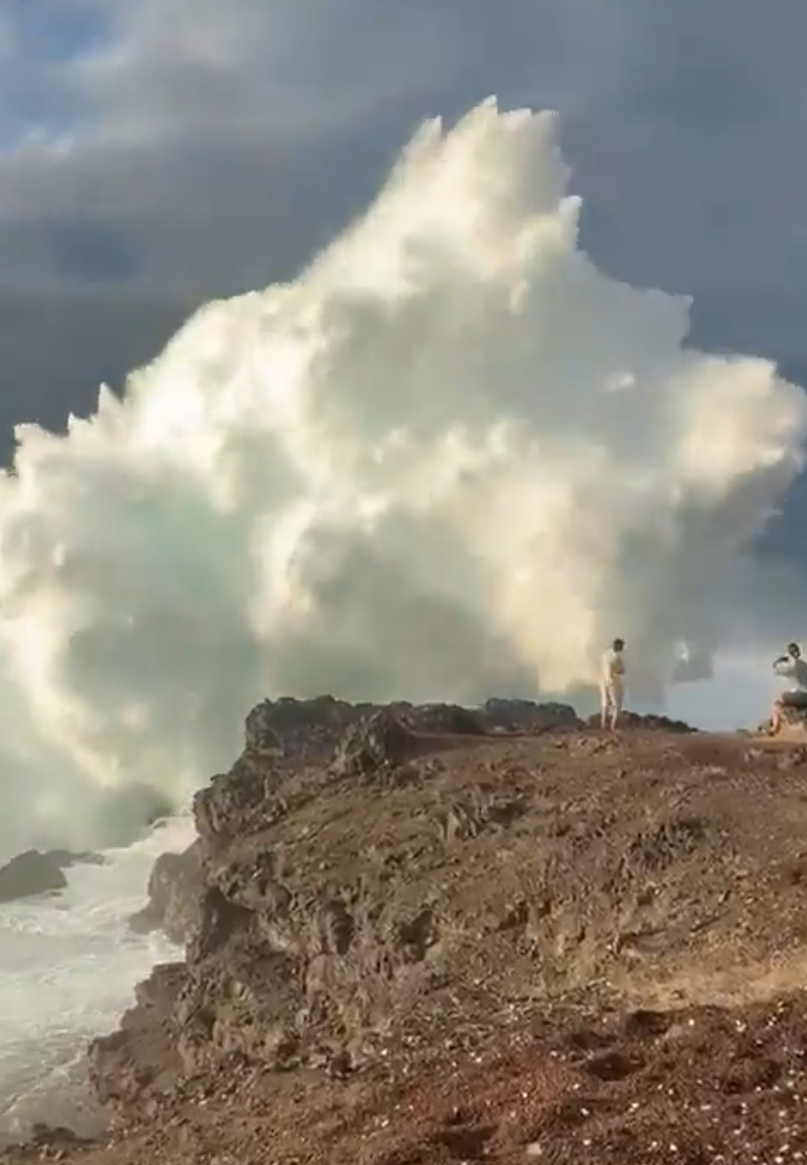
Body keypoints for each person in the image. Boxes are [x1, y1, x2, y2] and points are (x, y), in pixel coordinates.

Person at [769, 641, 807, 734]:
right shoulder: (804, 664)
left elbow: (776, 670)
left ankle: (775, 728)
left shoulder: (792, 665)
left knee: (777, 701)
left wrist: (780, 660)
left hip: (800, 695)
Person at [600, 637, 626, 730]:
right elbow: (621, 671)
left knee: (605, 703)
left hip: (603, 680)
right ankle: (613, 726)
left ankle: (603, 723)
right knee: (616, 705)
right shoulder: (617, 658)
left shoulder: (605, 654)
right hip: (613, 681)